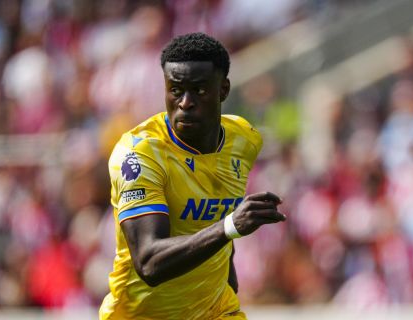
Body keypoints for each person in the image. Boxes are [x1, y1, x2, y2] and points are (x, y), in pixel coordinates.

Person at [99, 32, 286, 320]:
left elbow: (218, 220)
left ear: (223, 90)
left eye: (198, 90)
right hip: (142, 315)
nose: (185, 102)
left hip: (214, 312)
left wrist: (229, 280)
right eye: (175, 90)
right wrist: (230, 226)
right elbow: (149, 262)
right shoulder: (139, 155)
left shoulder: (243, 140)